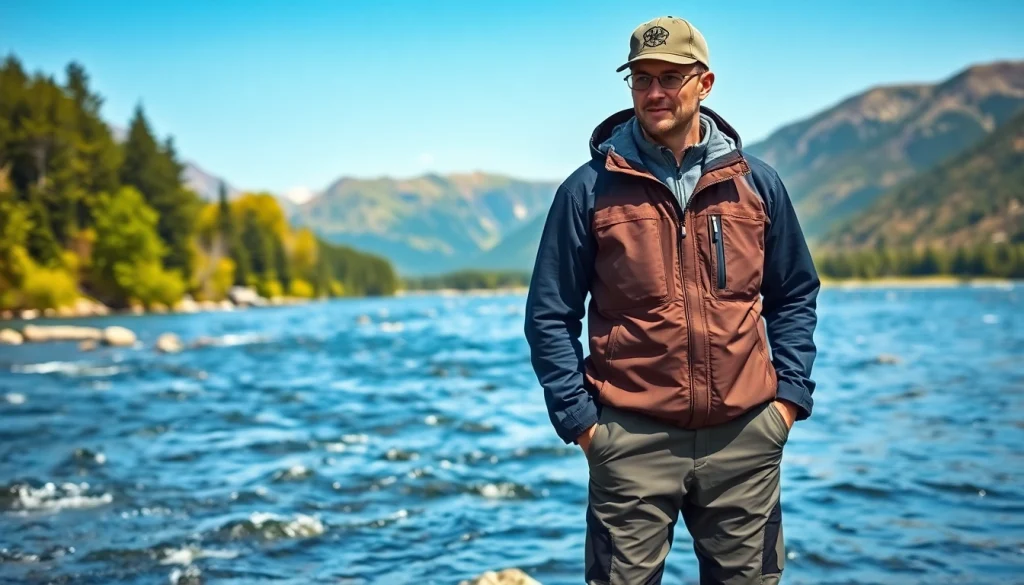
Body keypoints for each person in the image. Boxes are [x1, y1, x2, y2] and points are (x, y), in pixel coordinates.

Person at [523, 15, 819, 585]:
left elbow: (794, 294)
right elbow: (549, 315)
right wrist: (584, 425)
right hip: (629, 443)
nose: (654, 92)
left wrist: (787, 401)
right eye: (641, 79)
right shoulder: (587, 191)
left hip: (746, 440)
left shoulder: (756, 185)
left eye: (669, 77)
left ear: (704, 83)